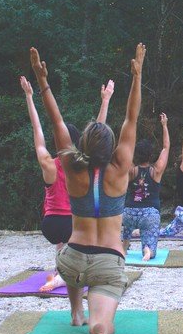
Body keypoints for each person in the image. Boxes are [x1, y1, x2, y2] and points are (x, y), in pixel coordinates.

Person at [32, 43, 145, 334]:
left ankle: (75, 310)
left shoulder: (71, 166)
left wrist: (43, 82)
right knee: (104, 322)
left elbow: (56, 123)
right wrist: (136, 76)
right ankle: (98, 330)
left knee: (73, 268)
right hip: (106, 264)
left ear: (82, 145)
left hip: (70, 261)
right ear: (112, 150)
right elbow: (131, 120)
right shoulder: (120, 169)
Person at [20, 76, 114, 291]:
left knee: (63, 242)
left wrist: (29, 97)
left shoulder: (48, 164)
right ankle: (64, 276)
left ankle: (59, 268)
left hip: (51, 225)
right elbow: (99, 133)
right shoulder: (84, 166)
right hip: (73, 224)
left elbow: (38, 133)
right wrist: (106, 100)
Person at [121, 113, 169, 261]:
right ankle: (147, 250)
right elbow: (166, 147)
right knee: (150, 240)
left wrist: (130, 124)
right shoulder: (156, 171)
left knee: (125, 232)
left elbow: (124, 147)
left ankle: (123, 248)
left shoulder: (131, 170)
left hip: (129, 212)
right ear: (150, 155)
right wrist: (164, 126)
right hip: (150, 214)